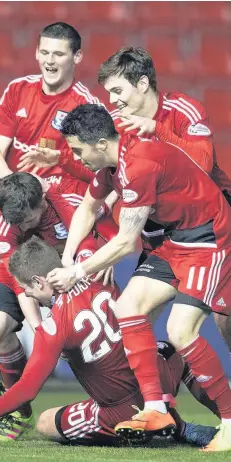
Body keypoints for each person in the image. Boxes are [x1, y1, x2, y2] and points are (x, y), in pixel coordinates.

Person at [0, 21, 107, 444]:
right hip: (19, 210)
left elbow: (100, 170)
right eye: (44, 52)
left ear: (76, 57)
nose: (49, 61)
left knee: (15, 328)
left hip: (56, 229)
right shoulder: (17, 90)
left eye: (58, 54)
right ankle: (12, 380)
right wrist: (17, 189)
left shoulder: (86, 105)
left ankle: (19, 402)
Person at [45, 104, 231, 452]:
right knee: (127, 305)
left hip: (209, 238)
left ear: (100, 144)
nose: (75, 157)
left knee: (180, 330)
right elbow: (88, 207)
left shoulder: (138, 165)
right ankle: (156, 409)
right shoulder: (113, 159)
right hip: (174, 240)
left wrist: (76, 272)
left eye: (78, 149)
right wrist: (68, 256)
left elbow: (127, 241)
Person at [0, 237, 219, 448]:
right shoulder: (93, 268)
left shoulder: (54, 327)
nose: (27, 294)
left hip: (123, 409)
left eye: (26, 288)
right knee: (172, 351)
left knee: (46, 422)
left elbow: (26, 391)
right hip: (156, 379)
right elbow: (91, 224)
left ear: (40, 281)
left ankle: (173, 429)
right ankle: (224, 420)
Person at [0, 173, 117, 444]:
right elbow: (21, 283)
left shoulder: (64, 197)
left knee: (90, 346)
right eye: (18, 222)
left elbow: (105, 220)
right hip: (20, 272)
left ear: (42, 199)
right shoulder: (6, 227)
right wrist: (38, 326)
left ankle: (136, 400)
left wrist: (107, 252)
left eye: (28, 219)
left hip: (68, 271)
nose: (23, 226)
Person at [99, 46, 231, 351]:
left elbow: (203, 164)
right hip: (160, 236)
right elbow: (114, 172)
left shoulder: (184, 110)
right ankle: (158, 396)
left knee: (224, 322)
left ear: (142, 84)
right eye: (108, 93)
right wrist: (108, 198)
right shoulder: (117, 123)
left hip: (210, 228)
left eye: (117, 90)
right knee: (131, 321)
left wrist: (157, 130)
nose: (112, 101)